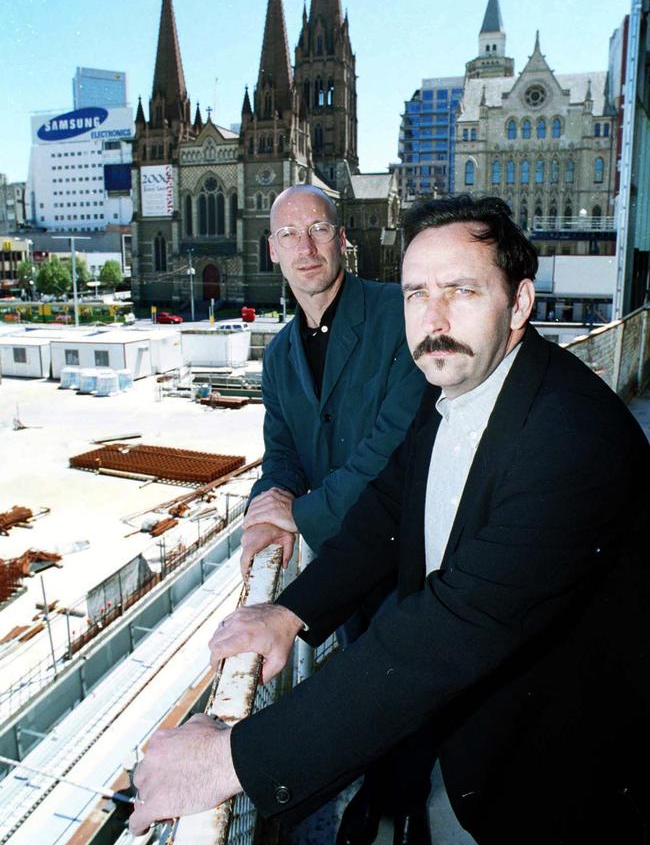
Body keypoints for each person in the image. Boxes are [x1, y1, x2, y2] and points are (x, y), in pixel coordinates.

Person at [130, 196, 650, 845]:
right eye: (414, 294)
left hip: (539, 776)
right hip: (457, 735)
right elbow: (386, 510)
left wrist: (232, 759)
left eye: (461, 290)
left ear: (518, 304)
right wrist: (289, 613)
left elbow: (449, 630)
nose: (432, 319)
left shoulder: (571, 440)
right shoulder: (455, 390)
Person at [240, 184, 426, 579]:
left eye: (318, 230)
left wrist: (300, 513)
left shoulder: (399, 314)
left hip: (411, 564)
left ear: (341, 240)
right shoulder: (278, 358)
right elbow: (282, 455)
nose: (305, 248)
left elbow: (392, 447)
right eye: (288, 235)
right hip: (339, 566)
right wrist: (265, 509)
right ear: (273, 250)